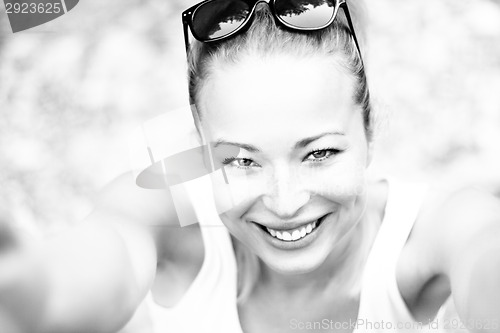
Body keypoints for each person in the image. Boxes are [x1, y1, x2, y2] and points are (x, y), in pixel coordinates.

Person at [1, 0, 500, 332]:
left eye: (320, 153)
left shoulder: (431, 235)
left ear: (369, 131)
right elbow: (70, 287)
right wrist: (26, 284)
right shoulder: (164, 217)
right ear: (198, 145)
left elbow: (485, 258)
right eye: (241, 160)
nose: (285, 203)